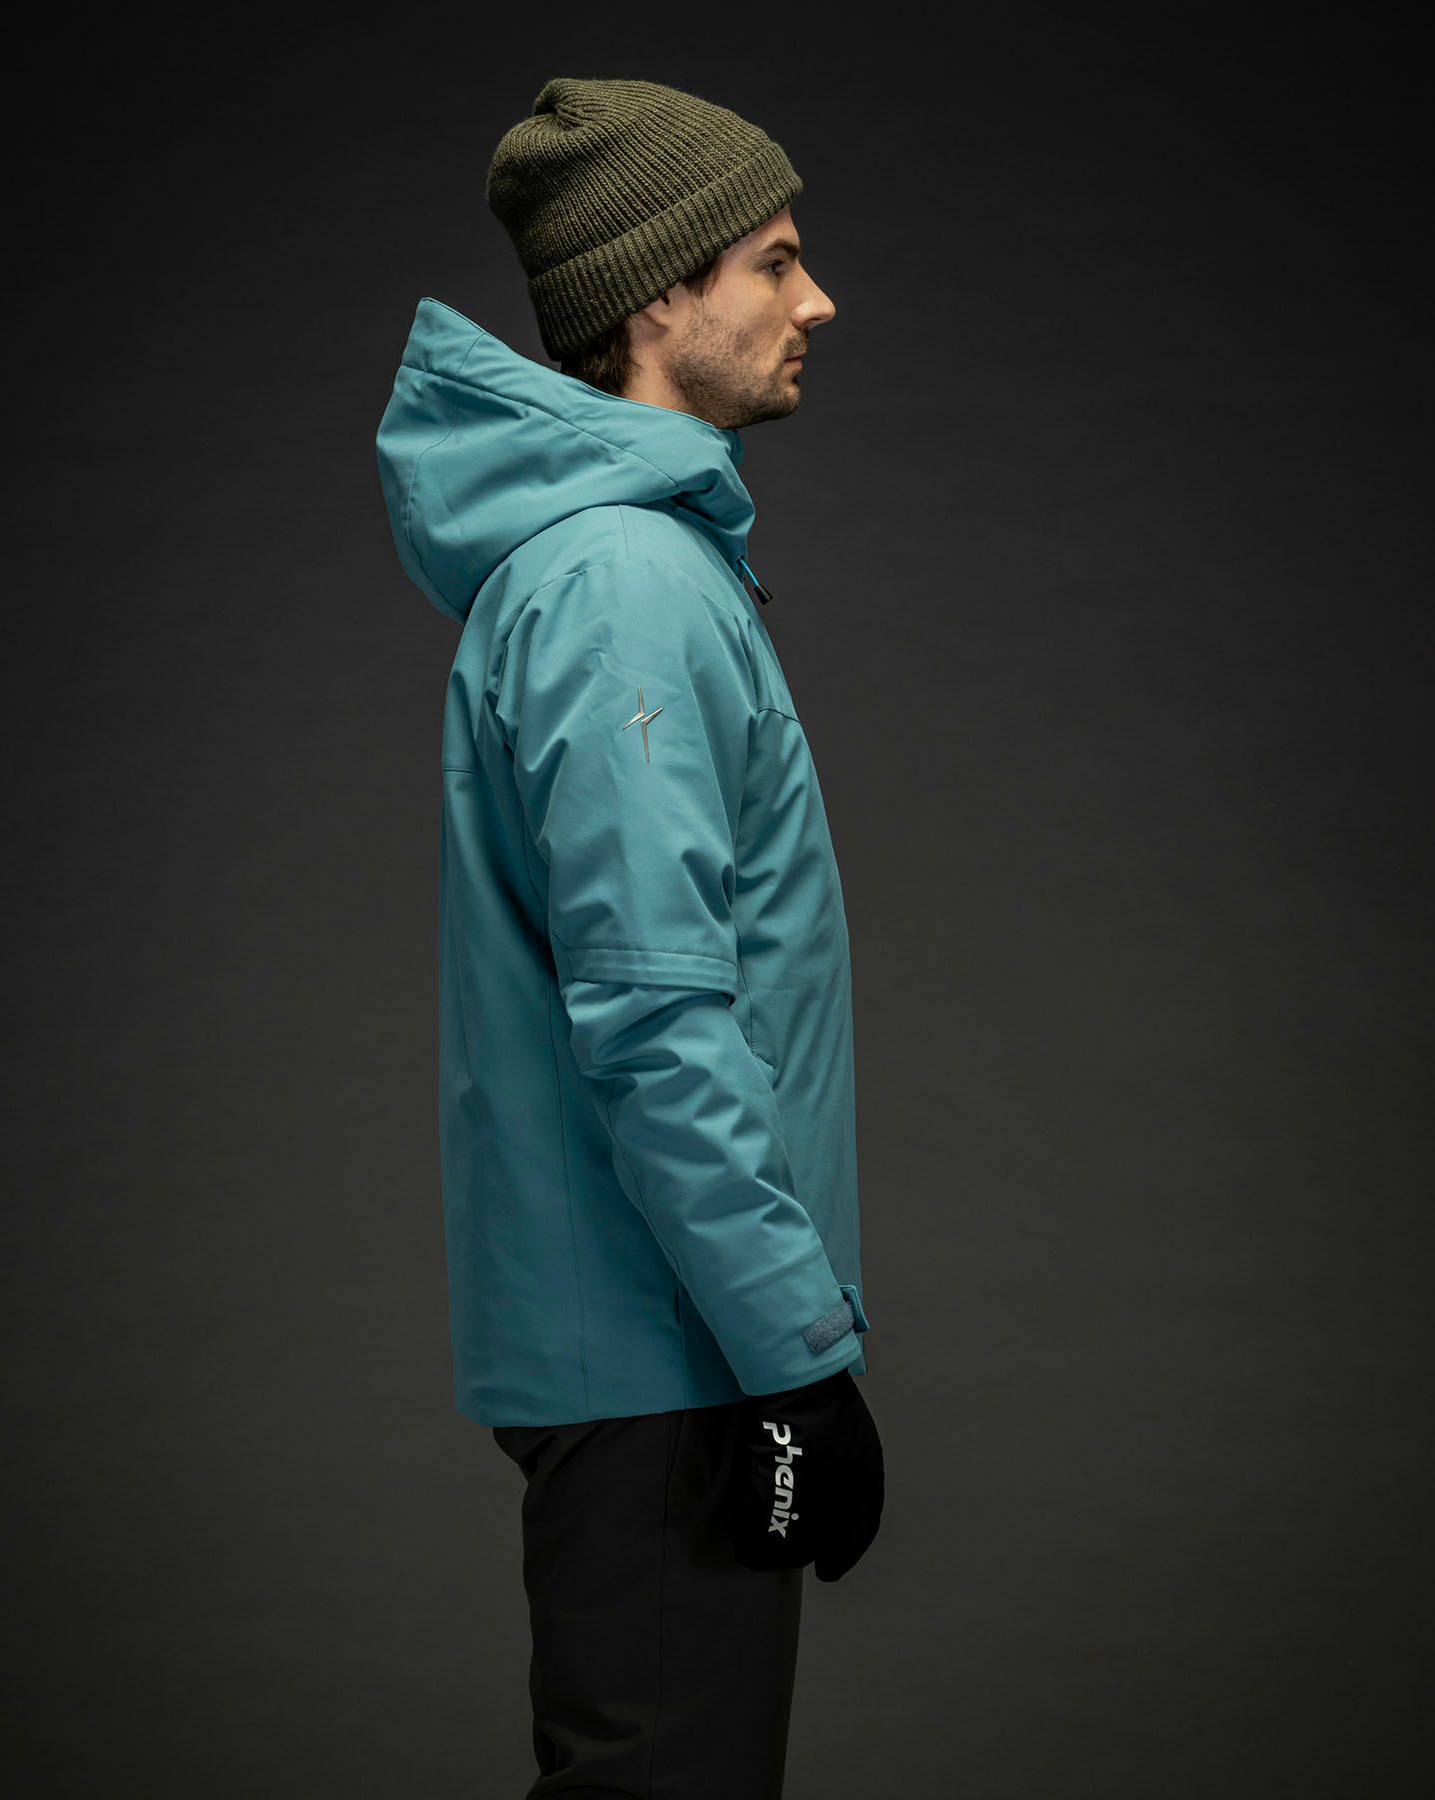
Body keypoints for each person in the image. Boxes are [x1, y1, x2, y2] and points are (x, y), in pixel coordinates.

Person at [375, 74, 884, 1799]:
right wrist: (796, 1363)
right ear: (659, 295)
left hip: (662, 1343)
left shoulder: (622, 566)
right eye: (776, 261)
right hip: (676, 1356)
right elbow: (657, 1023)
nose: (818, 300)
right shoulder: (620, 588)